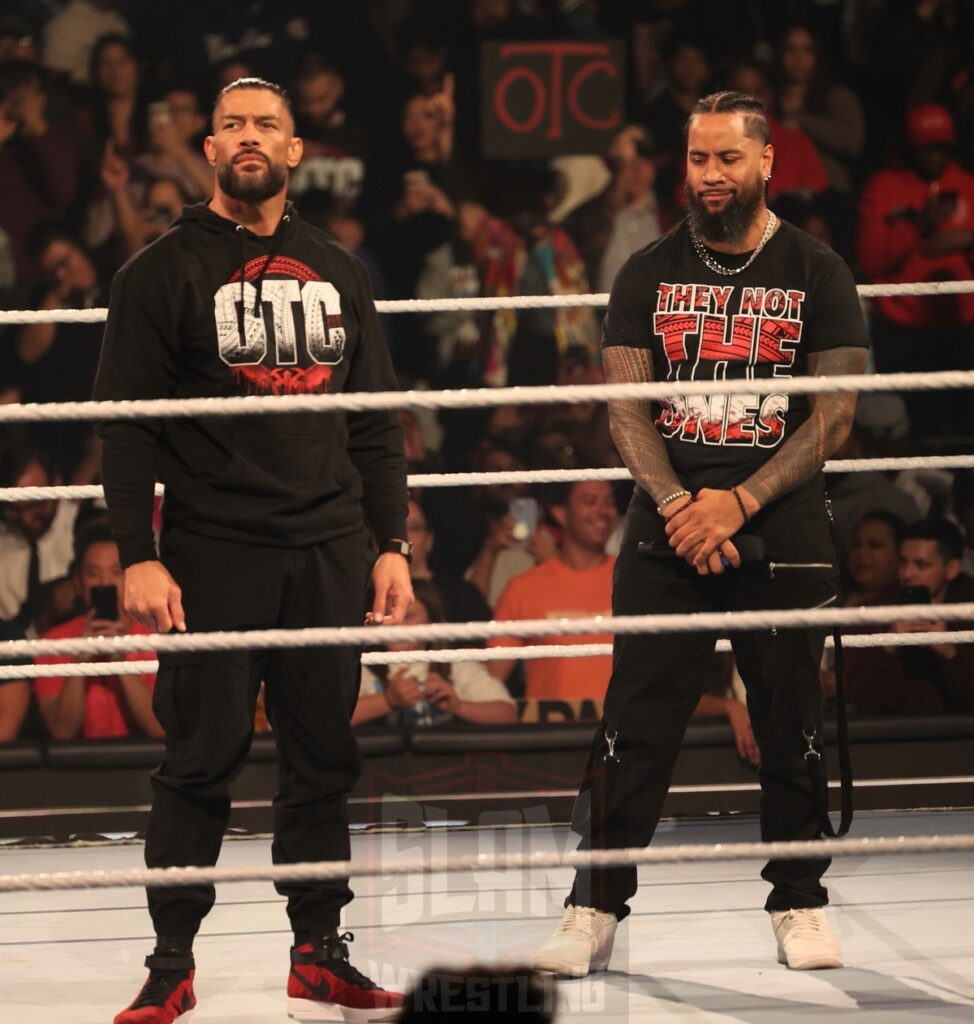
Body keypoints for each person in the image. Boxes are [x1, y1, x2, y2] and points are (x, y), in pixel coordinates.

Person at [93, 77, 411, 1023]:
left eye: (265, 124)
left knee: (322, 758)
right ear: (209, 149)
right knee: (200, 757)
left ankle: (319, 948)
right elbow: (126, 431)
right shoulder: (157, 272)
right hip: (213, 551)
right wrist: (136, 554)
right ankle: (170, 961)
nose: (247, 137)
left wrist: (389, 544)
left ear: (295, 148)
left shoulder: (338, 267)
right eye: (230, 124)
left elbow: (376, 422)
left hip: (327, 546)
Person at [532, 91, 868, 979]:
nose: (709, 175)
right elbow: (626, 407)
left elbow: (835, 416)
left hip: (780, 520)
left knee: (790, 713)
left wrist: (741, 503)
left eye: (726, 159)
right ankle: (592, 904)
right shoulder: (644, 270)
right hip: (667, 522)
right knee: (634, 721)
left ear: (766, 164)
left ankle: (799, 898)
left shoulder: (817, 272)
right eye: (697, 159)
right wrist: (685, 506)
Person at [857, 104, 974, 441]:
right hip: (902, 332)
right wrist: (920, 227)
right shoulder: (883, 187)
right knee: (913, 430)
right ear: (909, 148)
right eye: (926, 148)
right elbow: (872, 261)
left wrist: (967, 240)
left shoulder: (967, 185)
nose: (935, 156)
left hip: (962, 329)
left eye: (941, 147)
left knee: (963, 430)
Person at [488, 480, 618, 701]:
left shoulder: (634, 579)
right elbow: (490, 681)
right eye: (589, 501)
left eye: (609, 502)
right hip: (553, 731)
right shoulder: (523, 588)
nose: (603, 511)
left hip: (625, 730)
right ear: (560, 514)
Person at [33, 522, 160, 740]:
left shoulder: (159, 640)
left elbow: (160, 729)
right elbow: (62, 732)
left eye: (117, 572)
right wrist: (81, 656)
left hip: (144, 765)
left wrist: (119, 661)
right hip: (77, 769)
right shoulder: (51, 644)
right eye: (93, 573)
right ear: (79, 583)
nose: (105, 582)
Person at [844, 518, 974, 714]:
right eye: (903, 562)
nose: (907, 574)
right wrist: (888, 646)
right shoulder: (872, 614)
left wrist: (949, 651)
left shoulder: (968, 609)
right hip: (892, 735)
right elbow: (863, 698)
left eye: (921, 565)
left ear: (951, 569)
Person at [354, 578, 516, 728]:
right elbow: (332, 721)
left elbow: (508, 715)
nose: (396, 625)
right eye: (388, 616)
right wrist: (388, 700)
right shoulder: (362, 667)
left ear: (432, 621)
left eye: (408, 616)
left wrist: (458, 706)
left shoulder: (457, 666)